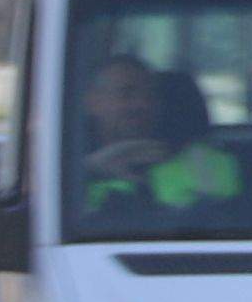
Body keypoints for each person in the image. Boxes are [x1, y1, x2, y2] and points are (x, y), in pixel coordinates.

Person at [74, 55, 232, 228]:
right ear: (92, 102)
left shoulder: (204, 162)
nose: (141, 104)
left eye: (150, 95)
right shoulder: (61, 165)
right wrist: (89, 170)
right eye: (126, 94)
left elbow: (222, 229)